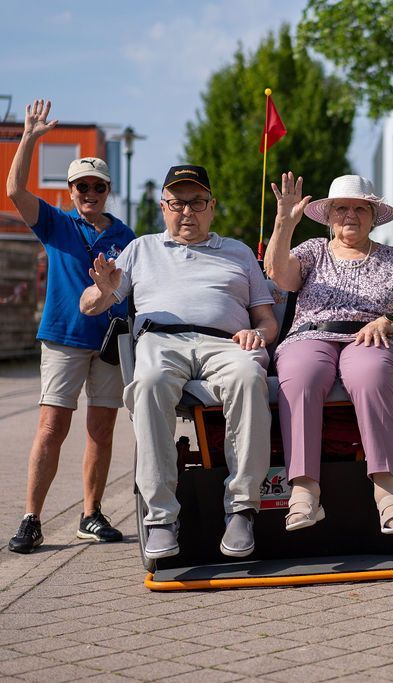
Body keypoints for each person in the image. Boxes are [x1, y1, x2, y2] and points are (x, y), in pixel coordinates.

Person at [80, 164, 277, 560]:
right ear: (163, 207)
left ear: (212, 206)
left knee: (249, 377)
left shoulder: (238, 252)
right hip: (162, 341)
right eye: (177, 203)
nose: (187, 211)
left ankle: (241, 508)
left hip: (227, 343)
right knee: (148, 383)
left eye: (197, 202)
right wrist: (103, 292)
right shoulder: (141, 249)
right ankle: (161, 517)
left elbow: (267, 319)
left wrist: (261, 334)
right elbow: (90, 305)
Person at [264, 172, 393, 533]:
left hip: (372, 337)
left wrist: (388, 320)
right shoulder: (312, 250)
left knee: (369, 373)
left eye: (359, 208)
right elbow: (279, 275)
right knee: (301, 375)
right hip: (311, 336)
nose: (350, 215)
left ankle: (387, 492)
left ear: (373, 215)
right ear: (329, 216)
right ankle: (304, 492)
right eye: (341, 208)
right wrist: (284, 224)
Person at [5, 99, 136, 554]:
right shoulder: (55, 223)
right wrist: (29, 137)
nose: (89, 194)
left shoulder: (127, 237)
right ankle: (31, 518)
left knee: (102, 430)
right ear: (70, 189)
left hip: (108, 343)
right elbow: (13, 189)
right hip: (63, 337)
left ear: (107, 190)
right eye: (81, 186)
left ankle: (91, 514)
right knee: (50, 428)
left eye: (97, 187)